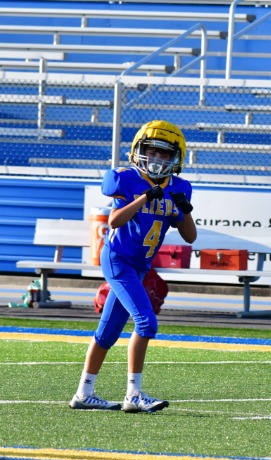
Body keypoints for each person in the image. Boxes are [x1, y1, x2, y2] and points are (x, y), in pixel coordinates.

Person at [69, 120, 197, 413]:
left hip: (140, 266)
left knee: (108, 332)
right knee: (146, 323)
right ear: (139, 151)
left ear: (176, 158)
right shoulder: (126, 179)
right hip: (118, 259)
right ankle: (134, 394)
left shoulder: (179, 188)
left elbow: (190, 237)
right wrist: (144, 198)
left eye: (164, 154)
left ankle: (84, 393)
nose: (157, 158)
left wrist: (185, 211)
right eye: (152, 151)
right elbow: (114, 221)